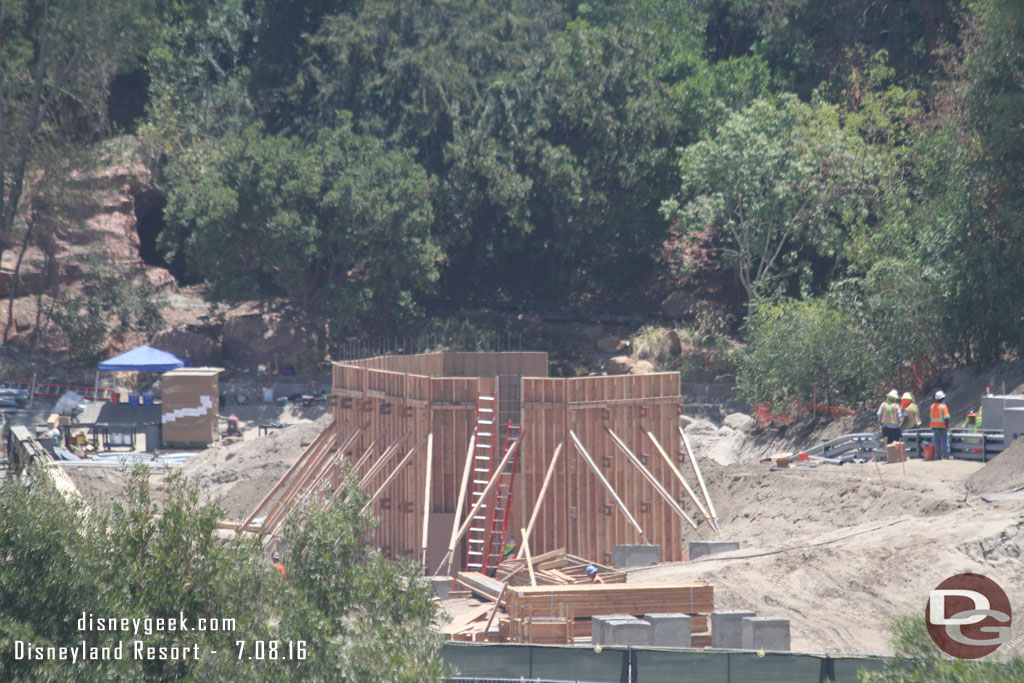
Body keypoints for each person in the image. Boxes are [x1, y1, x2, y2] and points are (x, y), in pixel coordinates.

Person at [930, 390, 951, 460]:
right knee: (945, 441)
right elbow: (946, 418)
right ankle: (946, 455)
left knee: (937, 441)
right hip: (942, 426)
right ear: (942, 398)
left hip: (934, 426)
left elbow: (931, 417)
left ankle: (938, 455)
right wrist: (947, 427)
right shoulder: (943, 407)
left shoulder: (932, 406)